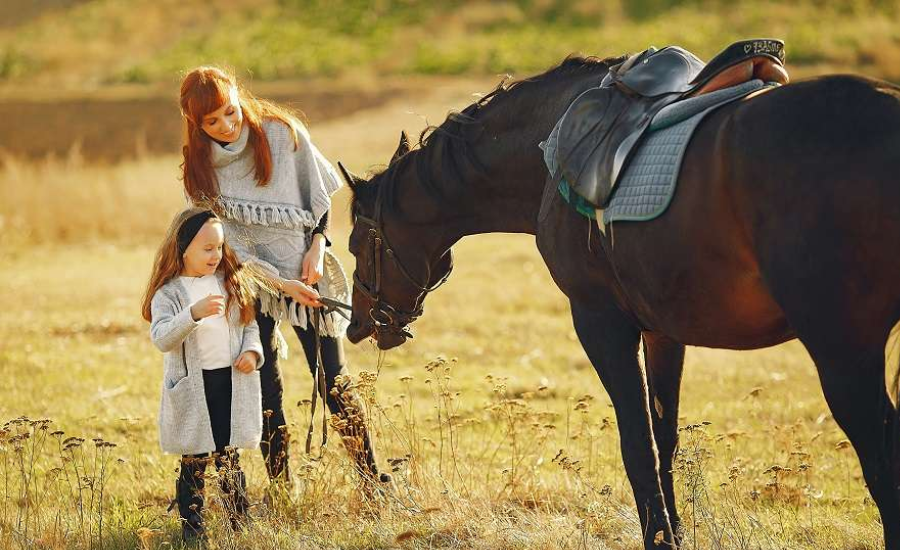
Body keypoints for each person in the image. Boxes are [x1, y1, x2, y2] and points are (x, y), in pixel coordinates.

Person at [178, 66, 388, 487]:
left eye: (230, 112)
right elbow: (221, 247)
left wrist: (317, 246)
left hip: (307, 275)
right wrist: (278, 284)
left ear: (238, 95)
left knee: (334, 381)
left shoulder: (281, 133)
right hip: (251, 284)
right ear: (196, 124)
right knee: (265, 389)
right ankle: (282, 488)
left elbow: (319, 197)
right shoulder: (199, 167)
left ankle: (372, 480)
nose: (226, 125)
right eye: (212, 121)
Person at [141, 207, 265, 541]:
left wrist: (252, 353)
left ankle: (237, 523)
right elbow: (163, 338)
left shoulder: (230, 284)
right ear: (183, 249)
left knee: (230, 455)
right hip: (195, 388)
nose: (216, 255)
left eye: (219, 247)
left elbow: (249, 326)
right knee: (195, 460)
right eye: (207, 249)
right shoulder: (169, 294)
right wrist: (192, 314)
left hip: (230, 381)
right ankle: (194, 529)